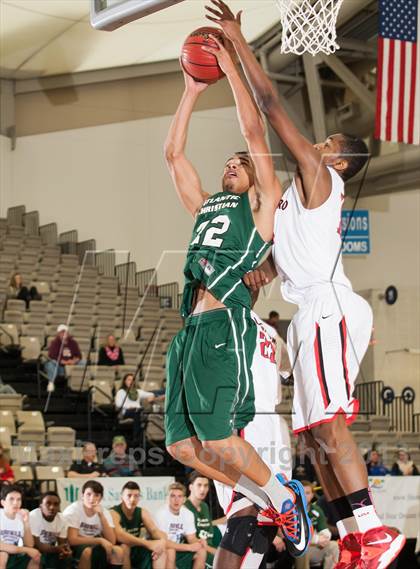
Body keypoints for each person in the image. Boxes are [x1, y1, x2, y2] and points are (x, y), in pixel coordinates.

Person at [204, 1, 406, 567]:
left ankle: (374, 531)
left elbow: (270, 106)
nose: (315, 146)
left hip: (328, 306)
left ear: (336, 163)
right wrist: (258, 271)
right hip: (308, 306)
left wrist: (238, 45)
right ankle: (349, 538)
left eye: (327, 144)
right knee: (313, 437)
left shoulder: (321, 181)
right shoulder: (294, 199)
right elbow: (278, 261)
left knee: (327, 426)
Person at [163, 25, 309, 556]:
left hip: (226, 324)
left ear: (256, 176)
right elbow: (173, 156)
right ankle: (266, 495)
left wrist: (228, 75)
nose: (230, 164)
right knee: (182, 446)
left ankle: (282, 500)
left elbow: (253, 134)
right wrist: (191, 90)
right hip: (191, 327)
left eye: (238, 164)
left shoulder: (262, 208)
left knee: (222, 440)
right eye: (226, 163)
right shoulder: (207, 206)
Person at [213, 313, 296, 568]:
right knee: (244, 513)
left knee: (272, 517)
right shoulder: (222, 312)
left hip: (272, 420)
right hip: (242, 414)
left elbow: (289, 366)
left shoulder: (268, 329)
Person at [62, 480, 123, 569]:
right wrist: (99, 540)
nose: (92, 499)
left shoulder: (104, 512)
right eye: (89, 494)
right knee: (88, 551)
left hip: (94, 542)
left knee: (118, 551)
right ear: (82, 496)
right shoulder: (74, 510)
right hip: (75, 545)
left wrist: (101, 516)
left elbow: (111, 540)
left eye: (96, 495)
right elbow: (72, 540)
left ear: (101, 498)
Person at [110, 481, 167, 569]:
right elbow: (119, 535)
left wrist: (162, 541)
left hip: (136, 548)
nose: (132, 499)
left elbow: (154, 531)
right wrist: (148, 544)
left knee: (160, 549)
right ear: (121, 496)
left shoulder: (142, 512)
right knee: (124, 547)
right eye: (129, 495)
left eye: (136, 496)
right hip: (118, 551)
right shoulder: (114, 512)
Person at [154, 482, 206, 569]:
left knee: (201, 550)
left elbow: (191, 538)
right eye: (173, 496)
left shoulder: (188, 514)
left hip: (179, 548)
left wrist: (199, 542)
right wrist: (189, 547)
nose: (176, 500)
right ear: (167, 498)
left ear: (184, 499)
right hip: (163, 548)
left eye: (180, 496)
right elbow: (163, 542)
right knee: (171, 551)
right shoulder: (160, 514)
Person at [295, 481, 339, 569]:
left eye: (307, 493)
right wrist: (316, 539)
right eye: (302, 493)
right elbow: (295, 536)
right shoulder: (291, 509)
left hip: (313, 546)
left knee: (334, 545)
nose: (304, 496)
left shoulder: (316, 510)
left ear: (312, 495)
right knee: (303, 549)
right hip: (294, 549)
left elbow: (325, 531)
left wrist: (324, 539)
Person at [0, 484, 41, 569]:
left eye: (19, 499)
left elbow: (29, 544)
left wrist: (26, 522)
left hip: (14, 552)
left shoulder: (21, 516)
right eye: (11, 499)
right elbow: (1, 546)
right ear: (3, 502)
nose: (15, 503)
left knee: (36, 556)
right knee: (2, 555)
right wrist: (26, 550)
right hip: (3, 552)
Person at [29, 491, 72, 569]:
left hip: (51, 548)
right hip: (35, 549)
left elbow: (61, 543)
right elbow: (37, 545)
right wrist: (57, 549)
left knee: (67, 557)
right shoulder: (33, 516)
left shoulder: (62, 519)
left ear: (59, 507)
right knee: (39, 555)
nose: (52, 507)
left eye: (56, 504)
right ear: (41, 506)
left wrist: (65, 550)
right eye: (48, 503)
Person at [185, 473, 217, 568]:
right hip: (197, 550)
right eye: (199, 485)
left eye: (206, 485)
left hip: (210, 548)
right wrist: (217, 552)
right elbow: (191, 540)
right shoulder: (185, 507)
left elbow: (210, 525)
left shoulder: (205, 506)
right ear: (191, 487)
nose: (202, 489)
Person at [114, 374, 157, 442]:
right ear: (124, 381)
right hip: (126, 412)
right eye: (129, 379)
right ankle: (137, 437)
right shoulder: (121, 392)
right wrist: (129, 407)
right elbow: (118, 404)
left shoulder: (137, 391)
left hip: (137, 410)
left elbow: (150, 394)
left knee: (142, 412)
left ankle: (142, 435)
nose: (131, 381)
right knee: (138, 412)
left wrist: (151, 396)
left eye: (132, 380)